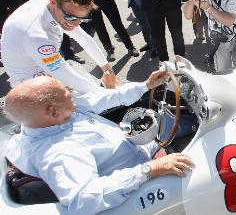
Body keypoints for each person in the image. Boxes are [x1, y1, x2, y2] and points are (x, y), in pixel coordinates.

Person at [3, 73, 194, 214]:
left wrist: (145, 85)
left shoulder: (56, 114)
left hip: (147, 149)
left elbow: (103, 99)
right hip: (145, 176)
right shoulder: (58, 153)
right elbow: (84, 199)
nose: (70, 90)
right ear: (52, 111)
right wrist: (149, 169)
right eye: (65, 91)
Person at [0, 0, 116, 93]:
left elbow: (83, 38)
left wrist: (107, 69)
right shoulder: (37, 35)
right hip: (30, 84)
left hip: (46, 68)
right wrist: (103, 93)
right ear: (53, 2)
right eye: (71, 17)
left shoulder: (57, 7)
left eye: (83, 18)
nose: (76, 23)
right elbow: (63, 73)